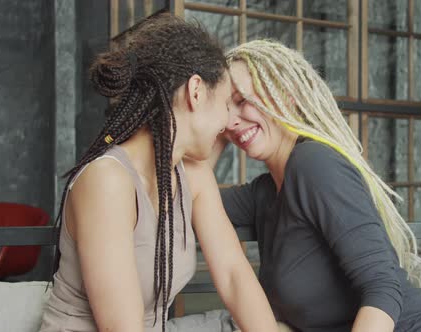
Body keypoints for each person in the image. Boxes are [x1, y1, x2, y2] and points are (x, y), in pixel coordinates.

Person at [39, 15, 277, 332]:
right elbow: (121, 327)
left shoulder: (193, 175)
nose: (229, 120)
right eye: (225, 103)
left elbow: (234, 274)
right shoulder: (107, 180)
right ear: (196, 92)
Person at [211, 40, 421, 332]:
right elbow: (183, 199)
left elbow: (383, 286)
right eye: (224, 110)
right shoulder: (264, 192)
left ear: (284, 95)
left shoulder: (314, 164)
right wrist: (214, 132)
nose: (231, 120)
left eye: (241, 101)